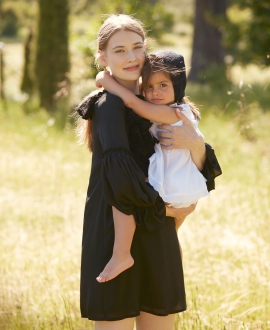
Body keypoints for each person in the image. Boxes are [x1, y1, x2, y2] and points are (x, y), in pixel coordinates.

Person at [75, 14, 221, 330]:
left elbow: (202, 172)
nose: (130, 57)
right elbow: (120, 177)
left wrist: (195, 144)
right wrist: (165, 210)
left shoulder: (158, 98)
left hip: (156, 231)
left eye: (137, 47)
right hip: (116, 233)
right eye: (119, 50)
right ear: (102, 56)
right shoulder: (109, 106)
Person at [96, 51, 210, 231]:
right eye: (149, 87)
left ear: (178, 86)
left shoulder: (173, 113)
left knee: (167, 236)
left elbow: (132, 102)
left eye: (163, 85)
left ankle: (122, 253)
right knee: (171, 237)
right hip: (175, 180)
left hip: (174, 184)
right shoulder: (168, 106)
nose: (155, 92)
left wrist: (105, 78)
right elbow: (139, 88)